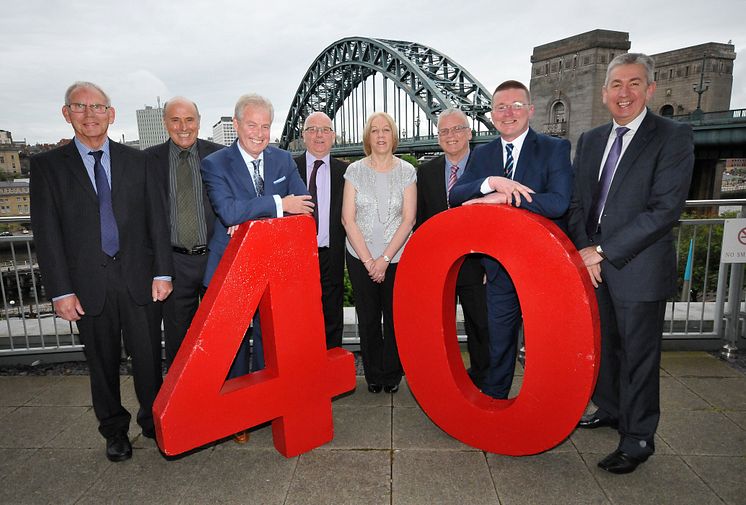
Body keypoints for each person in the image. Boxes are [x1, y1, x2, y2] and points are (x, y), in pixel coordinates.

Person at [30, 82, 173, 462]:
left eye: (98, 107)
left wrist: (163, 272)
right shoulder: (47, 167)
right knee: (102, 363)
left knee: (148, 360)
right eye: (80, 106)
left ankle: (153, 422)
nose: (90, 114)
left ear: (112, 114)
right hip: (87, 285)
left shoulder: (139, 161)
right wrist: (60, 291)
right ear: (66, 113)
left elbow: (157, 222)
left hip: (140, 280)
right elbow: (47, 233)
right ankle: (114, 431)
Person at [568, 53, 694, 474]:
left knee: (639, 357)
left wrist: (602, 252)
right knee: (604, 349)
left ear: (650, 89)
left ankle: (638, 437)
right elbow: (578, 204)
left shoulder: (672, 136)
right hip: (594, 267)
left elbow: (664, 210)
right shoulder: (589, 140)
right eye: (617, 85)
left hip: (638, 268)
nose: (625, 93)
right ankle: (610, 408)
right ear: (604, 94)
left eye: (634, 84)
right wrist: (587, 251)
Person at [449, 80, 573, 399]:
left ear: (530, 110)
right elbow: (457, 195)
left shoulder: (554, 148)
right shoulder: (483, 154)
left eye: (516, 105)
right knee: (499, 343)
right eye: (501, 107)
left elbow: (559, 201)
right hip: (500, 269)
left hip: (542, 266)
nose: (509, 113)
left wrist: (505, 198)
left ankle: (545, 409)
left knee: (545, 345)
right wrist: (491, 182)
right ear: (492, 115)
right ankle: (494, 407)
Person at [200, 94, 312, 375]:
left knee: (270, 337)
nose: (259, 134)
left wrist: (248, 217)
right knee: (231, 341)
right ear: (236, 124)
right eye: (252, 125)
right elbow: (227, 212)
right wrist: (279, 204)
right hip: (230, 266)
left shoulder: (283, 159)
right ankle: (235, 405)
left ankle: (265, 397)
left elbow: (305, 206)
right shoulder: (215, 164)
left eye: (265, 126)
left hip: (273, 264)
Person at [145, 97, 223, 368]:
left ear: (199, 122)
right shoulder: (147, 161)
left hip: (216, 258)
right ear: (165, 123)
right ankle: (184, 403)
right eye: (175, 120)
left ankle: (219, 396)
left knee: (221, 335)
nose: (183, 127)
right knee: (179, 340)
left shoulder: (221, 155)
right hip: (173, 263)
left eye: (189, 119)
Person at [342, 112, 416, 394]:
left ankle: (392, 375)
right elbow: (348, 219)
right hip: (360, 257)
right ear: (368, 137)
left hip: (397, 258)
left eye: (386, 130)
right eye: (375, 131)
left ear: (393, 136)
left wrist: (384, 260)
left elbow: (408, 219)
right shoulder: (355, 171)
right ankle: (374, 375)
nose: (381, 135)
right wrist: (369, 261)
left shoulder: (408, 171)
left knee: (395, 318)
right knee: (368, 317)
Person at [416, 108, 490, 388]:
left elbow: (497, 221)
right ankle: (445, 380)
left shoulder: (486, 167)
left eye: (457, 129)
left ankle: (483, 378)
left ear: (469, 133)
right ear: (438, 138)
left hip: (477, 263)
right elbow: (422, 221)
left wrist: (490, 264)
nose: (452, 136)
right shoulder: (427, 171)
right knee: (439, 327)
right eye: (445, 131)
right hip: (441, 265)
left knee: (480, 325)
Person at [294, 112, 349, 349]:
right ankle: (302, 372)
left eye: (325, 130)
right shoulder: (288, 167)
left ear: (333, 137)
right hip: (296, 256)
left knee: (332, 315)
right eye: (312, 129)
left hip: (331, 254)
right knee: (298, 316)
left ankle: (331, 374)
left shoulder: (346, 172)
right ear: (303, 135)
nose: (319, 135)